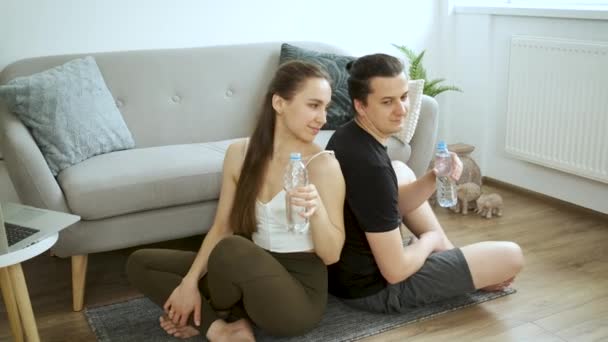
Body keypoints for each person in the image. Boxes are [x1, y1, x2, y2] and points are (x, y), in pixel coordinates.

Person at [127, 61, 345, 341]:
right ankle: (221, 329)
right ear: (279, 103)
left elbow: (332, 255)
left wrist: (317, 214)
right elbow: (221, 228)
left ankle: (209, 315)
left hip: (296, 299)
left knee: (231, 249)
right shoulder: (239, 153)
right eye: (314, 105)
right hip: (246, 273)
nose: (323, 118)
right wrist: (189, 283)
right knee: (141, 262)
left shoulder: (323, 165)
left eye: (325, 107)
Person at [325, 53, 524, 314]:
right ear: (361, 105)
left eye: (403, 97)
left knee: (402, 170)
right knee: (511, 255)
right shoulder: (371, 167)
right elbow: (395, 272)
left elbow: (385, 203)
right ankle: (454, 264)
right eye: (387, 102)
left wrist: (434, 176)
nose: (402, 109)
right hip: (376, 290)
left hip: (347, 275)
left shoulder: (349, 136)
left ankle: (453, 262)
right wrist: (428, 241)